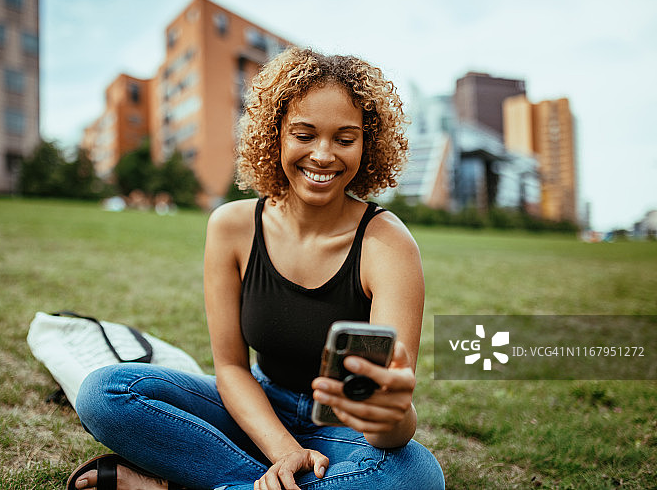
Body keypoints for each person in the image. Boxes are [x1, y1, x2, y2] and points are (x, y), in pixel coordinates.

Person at [68, 47, 445, 490]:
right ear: (276, 134)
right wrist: (285, 451)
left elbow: (390, 428)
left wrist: (394, 413)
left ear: (367, 144)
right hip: (257, 411)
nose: (323, 156)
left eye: (345, 139)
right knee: (106, 393)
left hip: (347, 433)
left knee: (415, 476)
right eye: (304, 134)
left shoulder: (389, 244)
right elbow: (230, 368)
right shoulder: (231, 226)